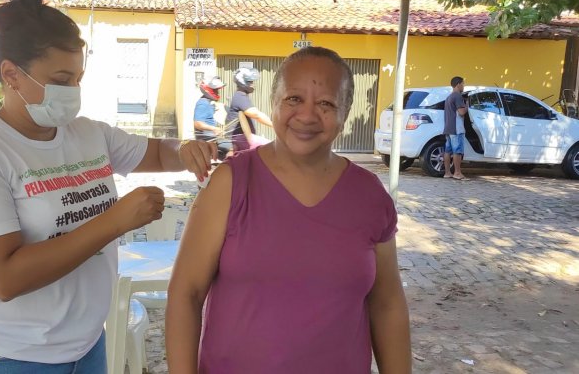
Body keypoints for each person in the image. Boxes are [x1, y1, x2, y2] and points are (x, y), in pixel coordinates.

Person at [0, 0, 216, 374]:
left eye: (78, 78)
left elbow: (158, 153)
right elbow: (5, 278)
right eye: (61, 79)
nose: (73, 91)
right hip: (11, 356)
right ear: (11, 74)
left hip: (86, 347)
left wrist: (183, 149)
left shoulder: (88, 134)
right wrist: (115, 221)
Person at [166, 47, 411, 374]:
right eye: (294, 99)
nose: (307, 115)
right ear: (274, 101)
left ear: (345, 112)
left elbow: (387, 304)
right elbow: (186, 293)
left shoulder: (369, 195)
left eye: (326, 103)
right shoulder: (230, 183)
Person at [225, 67, 273, 151]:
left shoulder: (241, 96)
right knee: (271, 150)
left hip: (242, 138)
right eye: (250, 82)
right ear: (242, 82)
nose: (253, 84)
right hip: (240, 139)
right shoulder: (240, 97)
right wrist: (275, 125)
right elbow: (256, 115)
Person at [193, 76, 233, 160]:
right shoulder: (203, 103)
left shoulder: (208, 102)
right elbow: (197, 123)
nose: (218, 93)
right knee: (236, 147)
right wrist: (214, 128)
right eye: (215, 90)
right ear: (208, 90)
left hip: (212, 139)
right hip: (208, 141)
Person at [442, 76, 468, 180]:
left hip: (448, 127)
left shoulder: (449, 97)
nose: (463, 86)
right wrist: (467, 106)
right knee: (457, 151)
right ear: (458, 84)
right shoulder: (457, 96)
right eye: (463, 84)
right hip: (457, 128)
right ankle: (457, 173)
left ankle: (447, 173)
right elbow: (461, 112)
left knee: (448, 151)